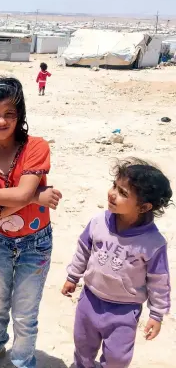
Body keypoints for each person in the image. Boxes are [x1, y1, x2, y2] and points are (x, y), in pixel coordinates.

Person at [0, 77, 62, 368]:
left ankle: (22, 361)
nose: (1, 120)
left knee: (24, 311)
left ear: (19, 115)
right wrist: (35, 197)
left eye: (9, 113)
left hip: (36, 243)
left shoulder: (36, 146)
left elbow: (16, 193)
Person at [62, 158, 172, 368]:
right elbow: (83, 250)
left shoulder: (153, 243)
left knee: (117, 359)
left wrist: (156, 314)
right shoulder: (98, 222)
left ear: (144, 207)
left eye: (123, 193)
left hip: (124, 310)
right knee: (83, 348)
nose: (112, 193)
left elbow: (159, 281)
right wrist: (72, 277)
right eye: (114, 185)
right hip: (90, 300)